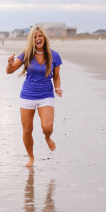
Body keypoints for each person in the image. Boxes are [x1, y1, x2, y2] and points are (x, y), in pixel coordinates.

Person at [6, 26, 63, 168]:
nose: (38, 39)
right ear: (32, 40)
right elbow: (10, 70)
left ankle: (47, 137)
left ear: (44, 38)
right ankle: (31, 157)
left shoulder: (53, 55)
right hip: (28, 95)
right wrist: (9, 62)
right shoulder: (27, 54)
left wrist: (58, 88)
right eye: (35, 37)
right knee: (27, 130)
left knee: (47, 127)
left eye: (40, 36)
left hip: (46, 95)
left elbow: (56, 77)